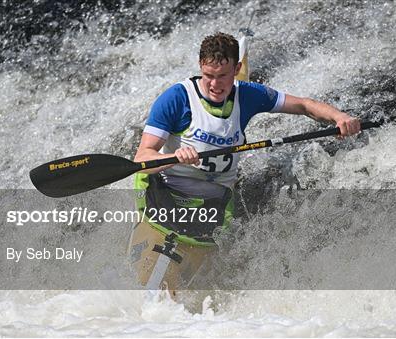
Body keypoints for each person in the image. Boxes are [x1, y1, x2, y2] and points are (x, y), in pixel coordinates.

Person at [128, 32, 360, 294]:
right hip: (166, 197)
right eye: (209, 76)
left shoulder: (248, 95)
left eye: (223, 76)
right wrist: (172, 156)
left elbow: (305, 105)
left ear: (237, 69)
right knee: (156, 292)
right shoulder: (176, 99)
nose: (215, 85)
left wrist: (340, 117)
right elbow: (143, 157)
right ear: (200, 67)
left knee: (191, 295)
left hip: (213, 207)